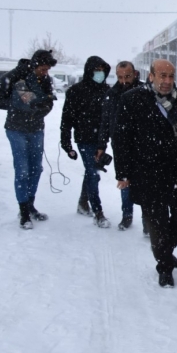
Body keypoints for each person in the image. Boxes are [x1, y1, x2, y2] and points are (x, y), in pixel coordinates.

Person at [113, 59, 177, 288]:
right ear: (151, 76)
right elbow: (121, 139)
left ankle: (165, 251)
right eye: (162, 76)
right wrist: (123, 173)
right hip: (148, 172)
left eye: (171, 76)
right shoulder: (133, 100)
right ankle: (165, 268)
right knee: (157, 222)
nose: (167, 81)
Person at [0, 49, 57, 229]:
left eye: (47, 70)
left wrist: (40, 109)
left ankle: (30, 204)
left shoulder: (45, 80)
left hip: (36, 128)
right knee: (22, 169)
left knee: (36, 169)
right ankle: (23, 212)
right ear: (35, 64)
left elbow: (49, 103)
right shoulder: (14, 77)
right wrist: (17, 106)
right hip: (16, 129)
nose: (45, 73)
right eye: (43, 69)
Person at [60, 56, 112, 228]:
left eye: (102, 70)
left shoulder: (107, 91)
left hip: (101, 140)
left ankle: (83, 203)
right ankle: (98, 212)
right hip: (84, 139)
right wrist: (66, 144)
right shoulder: (76, 91)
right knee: (93, 173)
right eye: (97, 70)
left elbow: (111, 117)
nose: (100, 73)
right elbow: (66, 120)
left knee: (92, 172)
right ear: (89, 71)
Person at [96, 60, 147, 232]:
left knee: (145, 181)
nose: (124, 80)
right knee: (124, 180)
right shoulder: (112, 94)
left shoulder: (144, 91)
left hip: (142, 144)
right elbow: (105, 121)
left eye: (127, 76)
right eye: (120, 77)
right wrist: (101, 145)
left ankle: (147, 220)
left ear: (135, 74)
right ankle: (127, 215)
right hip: (120, 144)